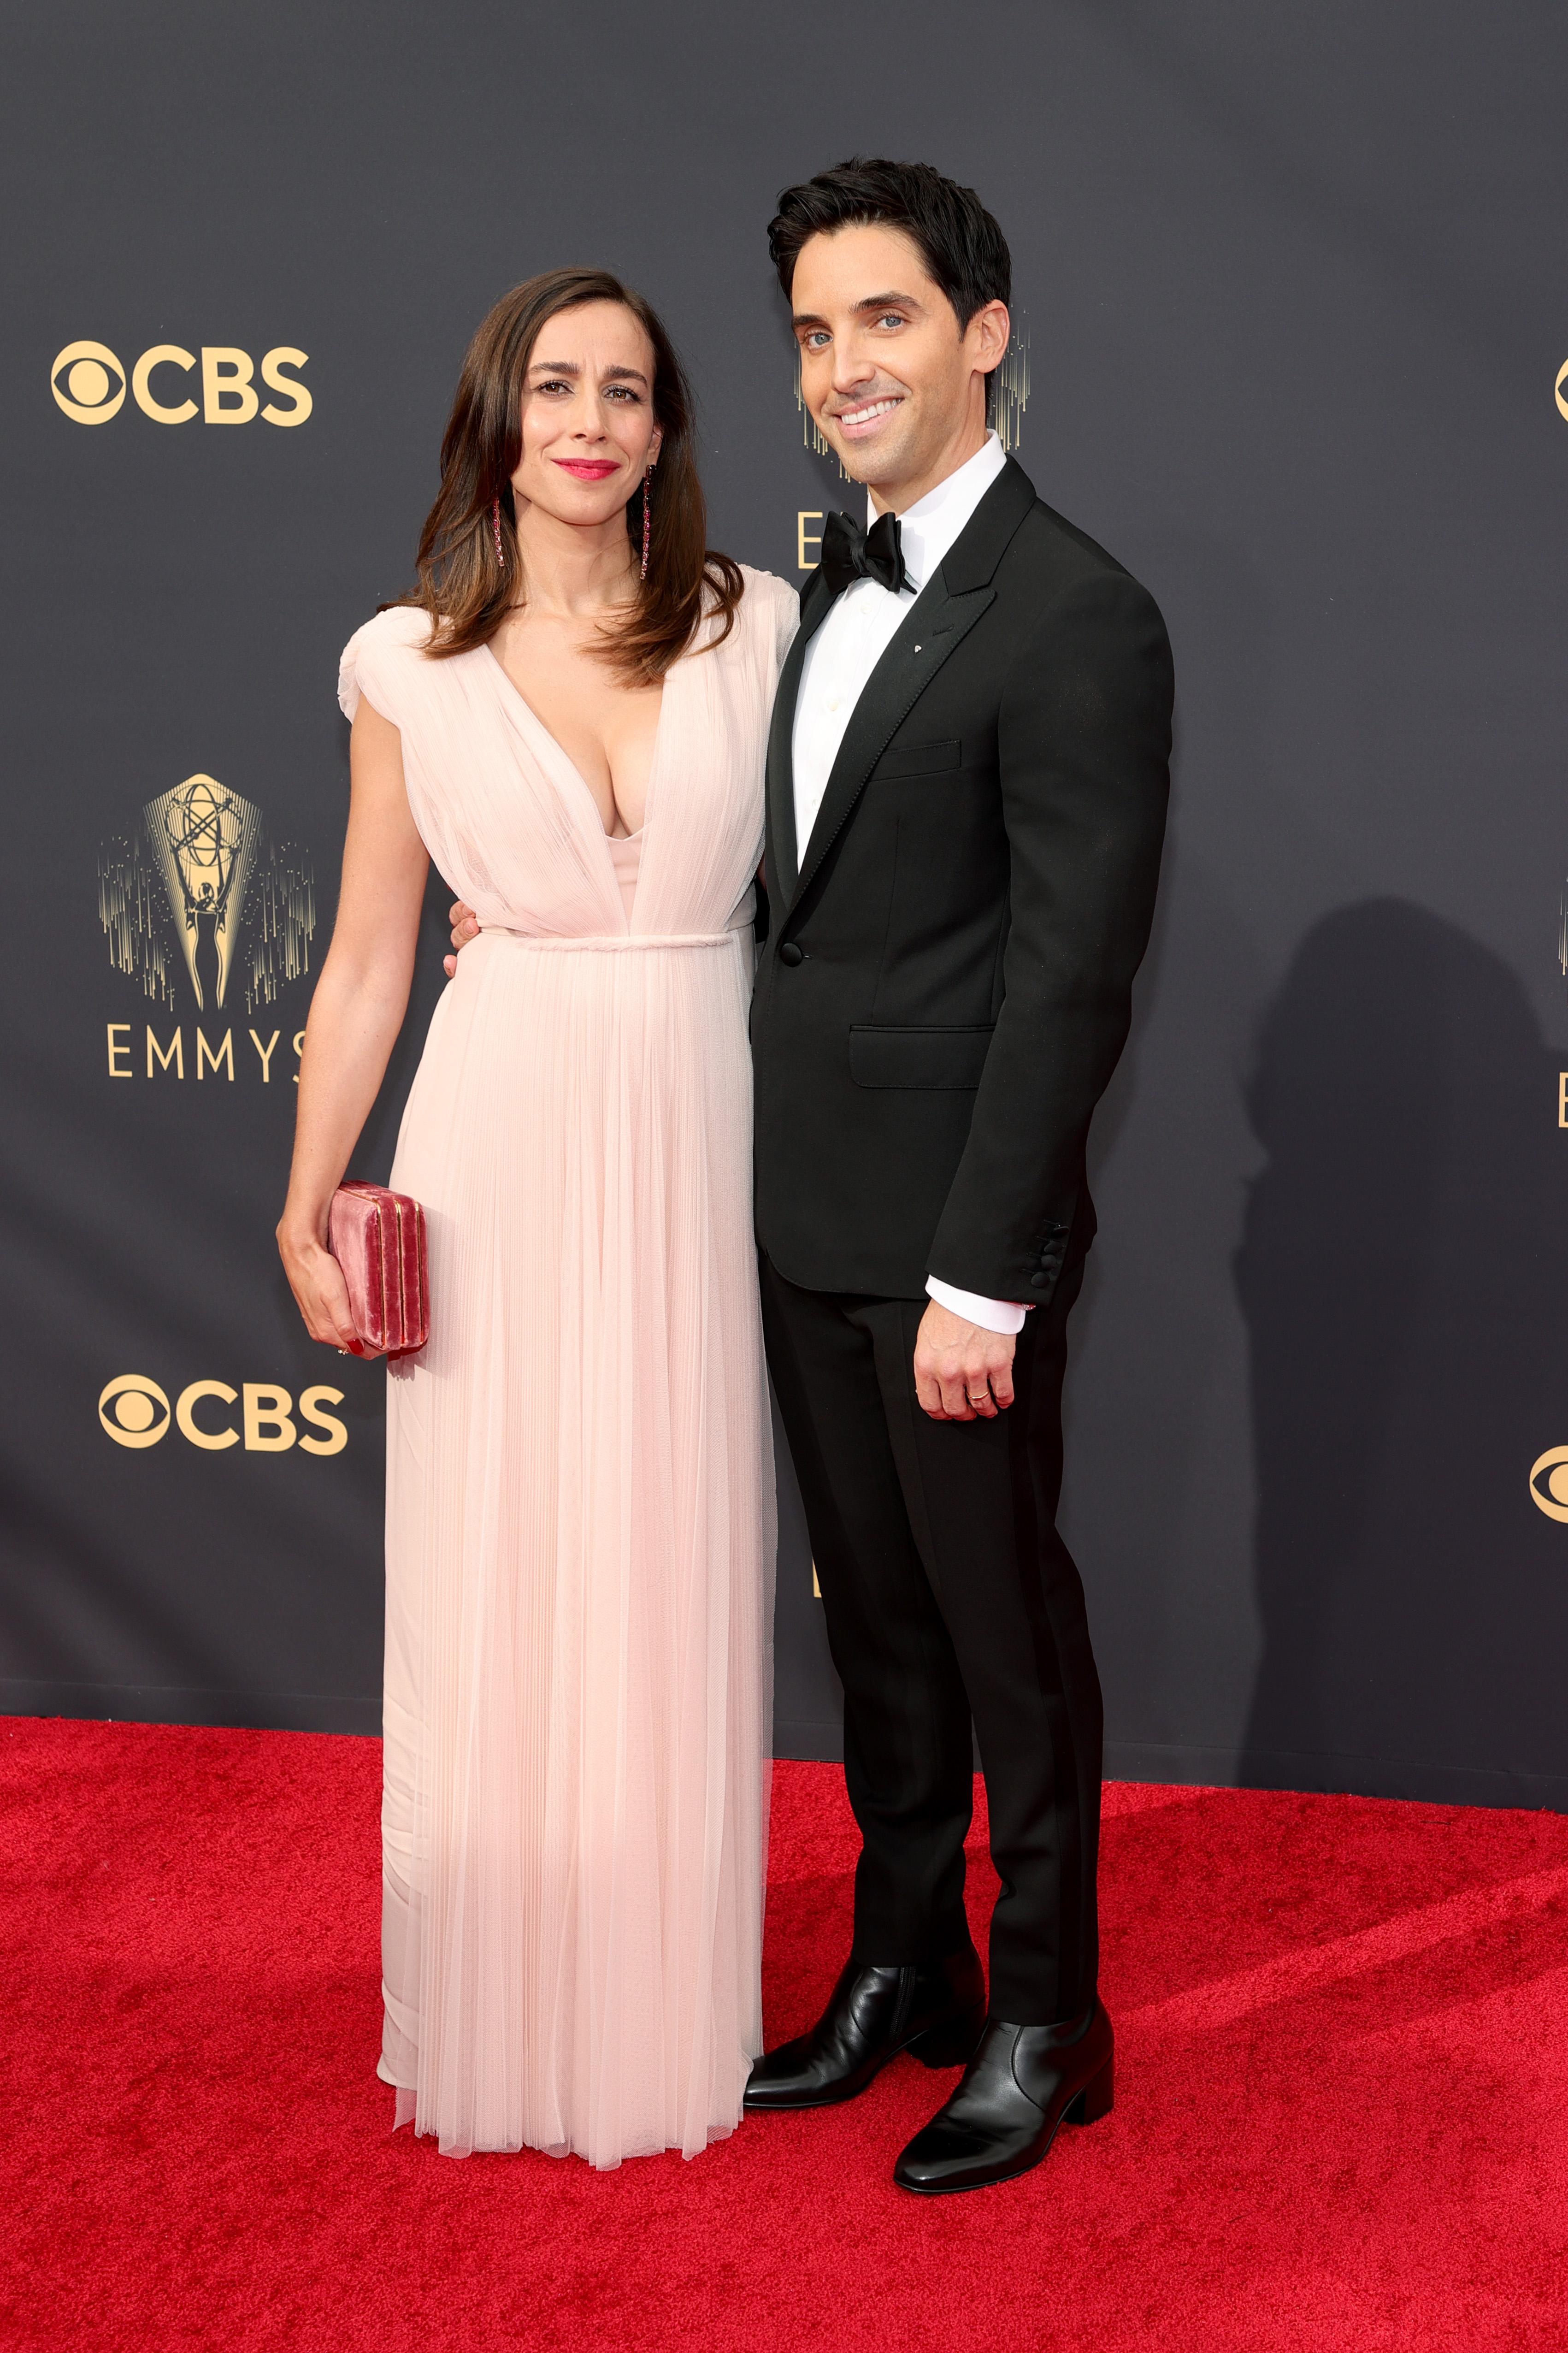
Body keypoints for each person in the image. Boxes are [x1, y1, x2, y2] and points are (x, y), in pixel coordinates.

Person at [277, 267, 797, 2167]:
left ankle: (664, 2006)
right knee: (506, 1559)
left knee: (670, 1550)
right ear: (497, 420)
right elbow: (359, 963)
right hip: (495, 1129)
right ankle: (501, 1996)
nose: (589, 419)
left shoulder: (759, 629)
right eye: (553, 385)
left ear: (665, 435)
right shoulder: (399, 664)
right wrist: (305, 1197)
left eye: (628, 391)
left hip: (702, 1109)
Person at [743, 160, 1173, 2193]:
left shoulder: (1077, 610)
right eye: (816, 331)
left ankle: (1038, 2013)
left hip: (947, 1253)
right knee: (877, 1637)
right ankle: (893, 1964)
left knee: (1002, 1641)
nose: (842, 367)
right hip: (798, 1218)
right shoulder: (809, 588)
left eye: (885, 320)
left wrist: (981, 1277)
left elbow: (1067, 968)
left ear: (983, 332)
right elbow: (802, 913)